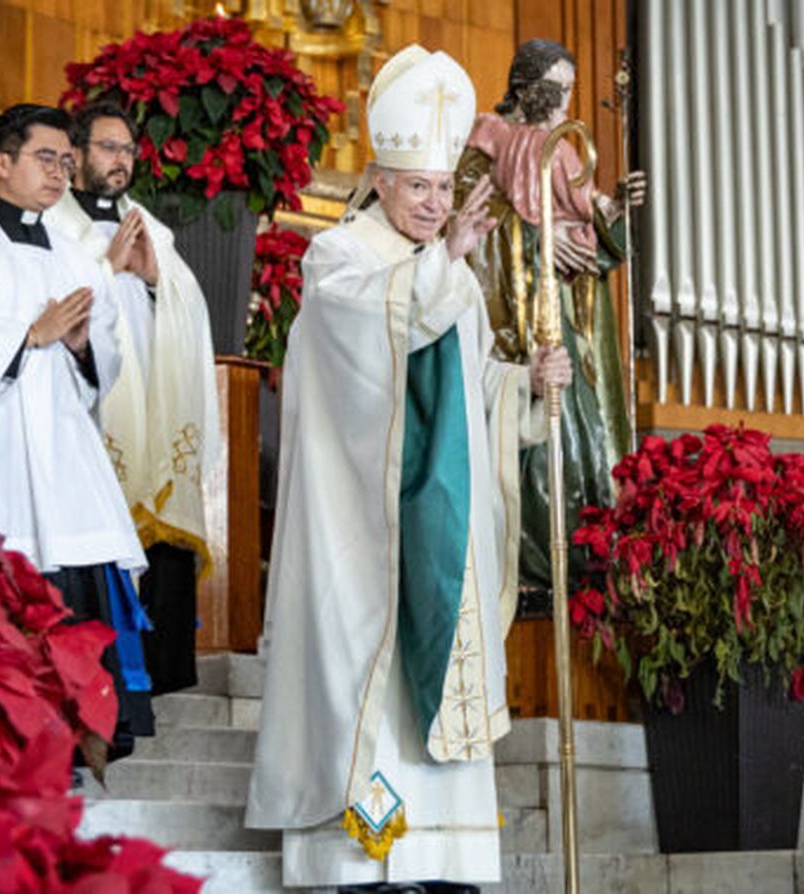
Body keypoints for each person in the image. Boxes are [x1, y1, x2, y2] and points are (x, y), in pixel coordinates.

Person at [245, 45, 572, 891]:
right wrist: (447, 260)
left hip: (441, 517)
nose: (434, 204)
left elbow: (462, 391)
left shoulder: (449, 276)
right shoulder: (340, 257)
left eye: (442, 189)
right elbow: (375, 356)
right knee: (369, 672)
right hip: (362, 527)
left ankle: (446, 853)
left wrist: (522, 387)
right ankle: (356, 855)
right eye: (418, 187)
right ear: (382, 182)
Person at [0, 103, 153, 753]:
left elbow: (104, 359)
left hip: (64, 449)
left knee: (73, 576)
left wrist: (77, 346)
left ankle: (80, 733)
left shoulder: (75, 254)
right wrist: (26, 336)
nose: (60, 172)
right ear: (1, 163)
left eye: (67, 162)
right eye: (47, 158)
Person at [455, 39, 645, 598]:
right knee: (541, 446)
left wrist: (614, 211)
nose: (565, 104)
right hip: (520, 326)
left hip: (571, 317)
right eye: (555, 91)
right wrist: (536, 239)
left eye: (568, 91)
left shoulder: (562, 148)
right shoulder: (482, 144)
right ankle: (538, 558)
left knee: (587, 433)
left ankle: (586, 557)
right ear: (523, 88)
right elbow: (471, 223)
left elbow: (586, 236)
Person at [43, 100, 220, 697]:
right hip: (89, 419)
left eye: (127, 151)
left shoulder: (150, 227)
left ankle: (161, 670)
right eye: (108, 148)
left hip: (151, 413)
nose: (121, 162)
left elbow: (189, 311)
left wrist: (152, 281)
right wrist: (103, 266)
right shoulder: (49, 226)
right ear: (76, 154)